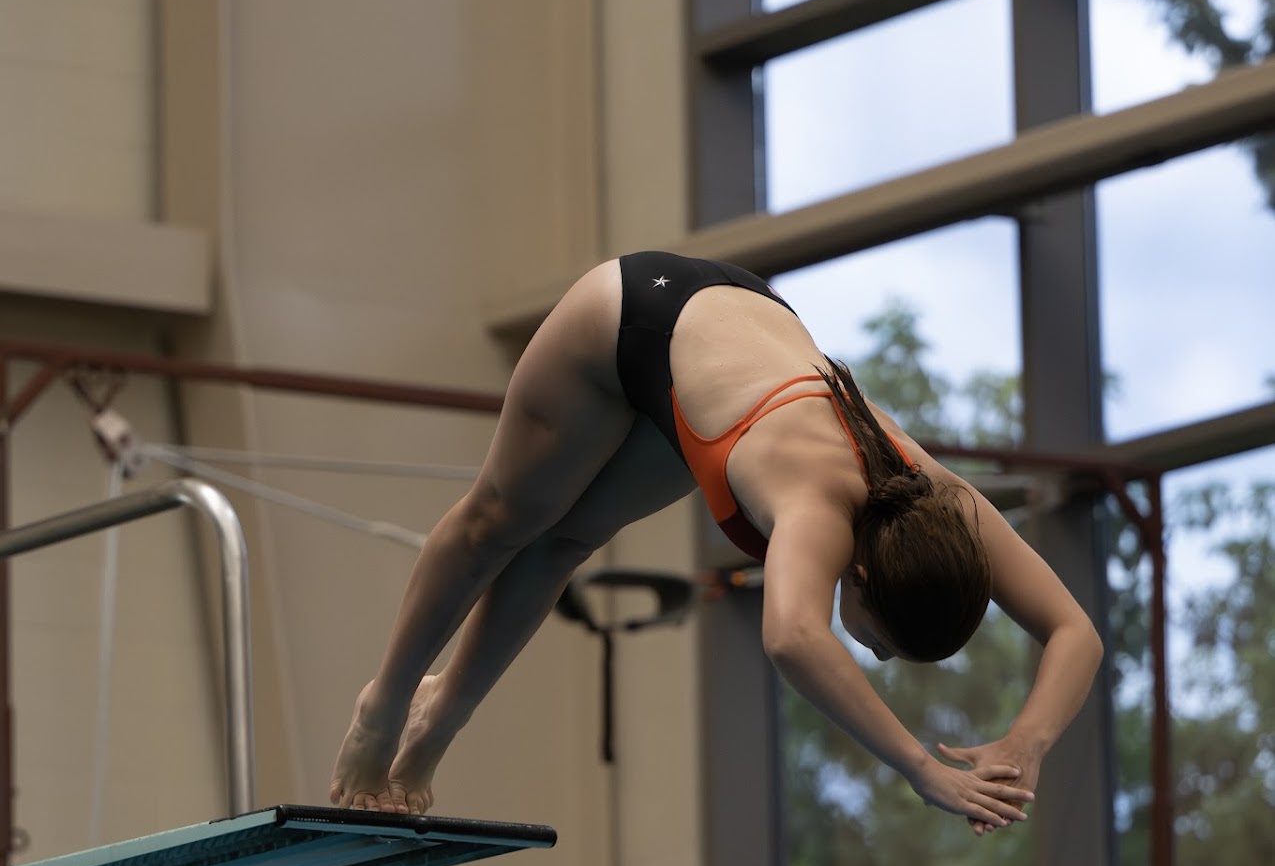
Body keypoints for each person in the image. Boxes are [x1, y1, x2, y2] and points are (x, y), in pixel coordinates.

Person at [329, 251, 1103, 834]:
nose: (874, 655)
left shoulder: (945, 504)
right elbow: (793, 639)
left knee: (563, 542)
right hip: (635, 314)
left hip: (728, 350)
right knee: (497, 522)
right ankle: (385, 704)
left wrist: (1026, 744)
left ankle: (442, 714)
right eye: (882, 643)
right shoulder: (815, 510)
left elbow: (1075, 633)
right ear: (862, 576)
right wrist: (919, 768)